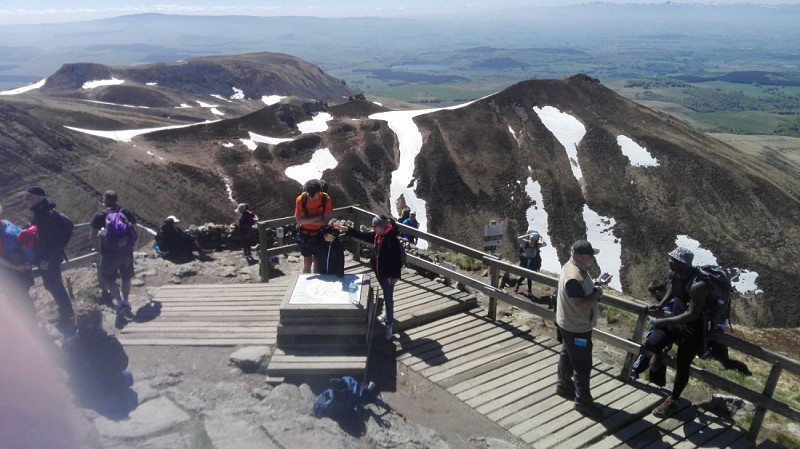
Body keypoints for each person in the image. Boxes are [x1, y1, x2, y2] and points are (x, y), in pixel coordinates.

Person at [645, 247, 710, 418]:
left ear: (683, 263)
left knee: (683, 365)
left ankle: (672, 401)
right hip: (676, 321)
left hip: (692, 330)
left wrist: (664, 321)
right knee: (652, 342)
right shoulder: (674, 274)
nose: (669, 262)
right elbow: (672, 289)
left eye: (672, 260)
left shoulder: (699, 285)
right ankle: (658, 355)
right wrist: (660, 305)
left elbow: (692, 314)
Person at [555, 240, 607, 419]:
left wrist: (594, 284)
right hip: (576, 327)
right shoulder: (574, 277)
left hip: (567, 323)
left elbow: (578, 292)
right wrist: (596, 293)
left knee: (567, 354)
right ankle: (583, 403)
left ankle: (563, 386)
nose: (592, 259)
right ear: (581, 257)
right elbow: (578, 305)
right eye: (591, 256)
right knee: (583, 366)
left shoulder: (571, 267)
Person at [338, 215, 403, 340]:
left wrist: (395, 277)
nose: (373, 229)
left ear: (381, 227)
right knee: (387, 294)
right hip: (380, 272)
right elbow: (362, 235)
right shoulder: (378, 235)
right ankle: (387, 315)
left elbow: (397, 261)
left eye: (374, 226)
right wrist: (348, 230)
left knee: (388, 297)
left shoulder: (392, 240)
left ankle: (389, 324)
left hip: (388, 274)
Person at [62, 304, 134, 409]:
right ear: (100, 323)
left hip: (86, 388)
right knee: (128, 376)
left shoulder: (69, 345)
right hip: (111, 386)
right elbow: (123, 363)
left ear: (76, 324)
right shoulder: (111, 343)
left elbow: (67, 366)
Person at [25, 187, 74, 323]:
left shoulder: (46, 215)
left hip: (48, 259)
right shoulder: (41, 213)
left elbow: (56, 240)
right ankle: (65, 311)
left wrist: (45, 259)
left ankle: (67, 314)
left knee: (54, 285)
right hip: (46, 258)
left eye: (29, 196)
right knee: (52, 285)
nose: (26, 200)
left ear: (39, 198)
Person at [90, 191, 137, 317]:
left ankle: (120, 303)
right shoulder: (125, 213)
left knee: (109, 279)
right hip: (126, 251)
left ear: (104, 200)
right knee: (126, 277)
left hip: (109, 254)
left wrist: (99, 245)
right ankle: (126, 301)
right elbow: (133, 229)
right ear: (116, 199)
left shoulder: (99, 215)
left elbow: (93, 236)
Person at [0, 205, 37, 316]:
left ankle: (32, 322)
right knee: (19, 298)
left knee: (24, 295)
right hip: (9, 271)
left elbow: (19, 236)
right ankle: (29, 325)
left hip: (21, 264)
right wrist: (14, 267)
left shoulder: (5, 223)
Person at [294, 179, 332, 274]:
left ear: (319, 191)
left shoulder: (326, 199)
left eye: (314, 196)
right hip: (305, 234)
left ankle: (315, 283)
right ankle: (305, 283)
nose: (311, 198)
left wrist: (306, 221)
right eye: (309, 195)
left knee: (317, 262)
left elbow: (326, 221)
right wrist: (319, 218)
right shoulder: (300, 199)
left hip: (318, 234)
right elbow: (298, 220)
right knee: (307, 262)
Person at [515, 231, 547, 296]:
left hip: (532, 262)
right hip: (525, 261)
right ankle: (519, 285)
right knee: (524, 276)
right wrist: (527, 235)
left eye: (533, 240)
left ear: (535, 241)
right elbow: (518, 239)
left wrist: (541, 238)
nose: (531, 240)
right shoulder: (525, 243)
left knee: (529, 276)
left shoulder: (537, 245)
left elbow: (545, 244)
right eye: (530, 239)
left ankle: (528, 290)